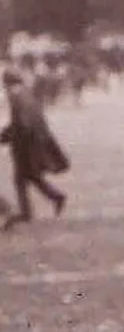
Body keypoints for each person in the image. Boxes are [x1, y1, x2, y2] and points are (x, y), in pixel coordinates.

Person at [1, 68, 68, 227]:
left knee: (21, 179)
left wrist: (7, 136)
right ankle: (56, 197)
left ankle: (25, 212)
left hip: (25, 145)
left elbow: (21, 124)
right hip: (33, 142)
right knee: (31, 176)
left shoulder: (16, 97)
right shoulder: (27, 94)